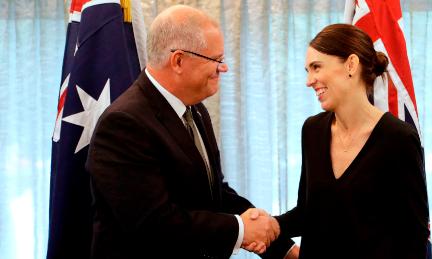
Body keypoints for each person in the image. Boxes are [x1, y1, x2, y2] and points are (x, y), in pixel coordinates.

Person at [86, 5, 299, 259]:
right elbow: (154, 224)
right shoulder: (124, 124)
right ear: (178, 60)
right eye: (216, 59)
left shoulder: (195, 110)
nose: (224, 68)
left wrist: (282, 247)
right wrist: (242, 229)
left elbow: (213, 194)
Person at [275, 24, 430, 259]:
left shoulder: (399, 138)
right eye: (308, 70)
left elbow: (413, 238)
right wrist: (263, 227)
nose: (309, 80)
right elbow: (308, 212)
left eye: (316, 67)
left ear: (351, 65)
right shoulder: (312, 130)